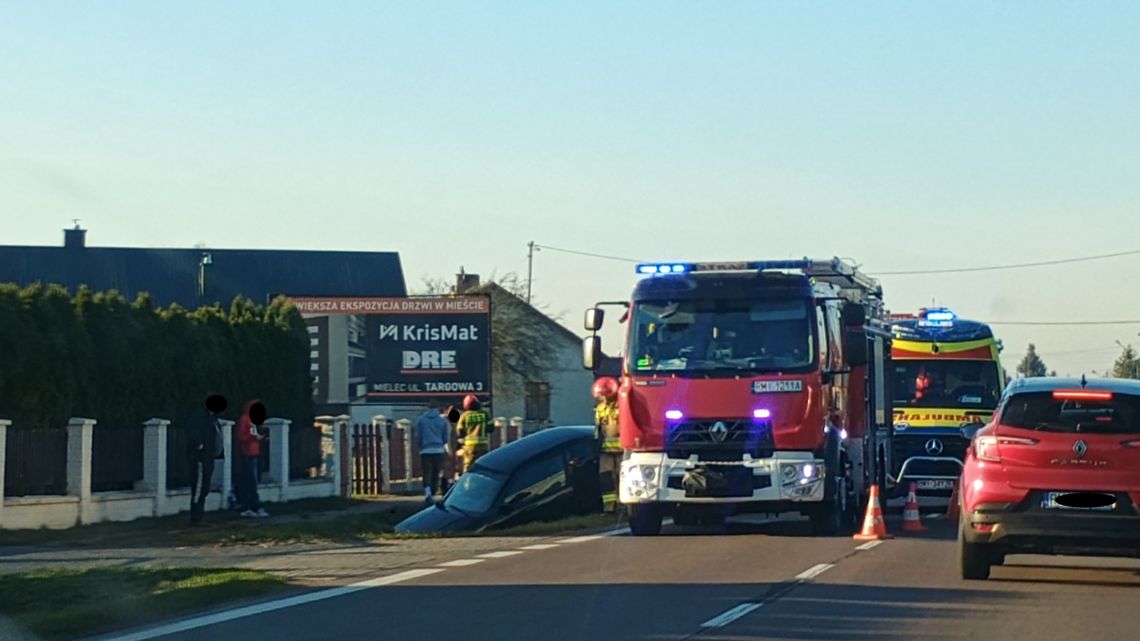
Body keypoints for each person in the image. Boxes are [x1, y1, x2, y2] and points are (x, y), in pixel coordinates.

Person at [187, 393, 227, 525]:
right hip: (200, 458)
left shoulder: (213, 418)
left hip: (209, 457)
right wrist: (199, 443)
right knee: (199, 488)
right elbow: (193, 431)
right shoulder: (200, 416)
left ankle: (200, 515)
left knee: (205, 487)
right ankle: (196, 517)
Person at [235, 400, 270, 518]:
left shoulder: (250, 419)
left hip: (253, 452)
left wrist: (259, 438)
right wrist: (254, 438)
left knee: (251, 481)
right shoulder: (245, 419)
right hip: (247, 453)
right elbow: (242, 436)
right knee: (251, 481)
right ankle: (252, 506)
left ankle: (250, 506)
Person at [592, 377, 622, 512]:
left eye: (604, 395)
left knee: (621, 479)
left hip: (623, 451)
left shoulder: (622, 406)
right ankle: (609, 508)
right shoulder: (600, 409)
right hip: (605, 452)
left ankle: (624, 507)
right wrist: (596, 445)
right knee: (606, 479)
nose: (602, 398)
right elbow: (598, 430)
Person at [415, 399, 451, 504]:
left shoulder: (421, 420)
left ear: (428, 407)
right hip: (438, 450)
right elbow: (445, 438)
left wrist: (422, 445)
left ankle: (428, 493)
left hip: (425, 451)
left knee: (427, 472)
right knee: (436, 473)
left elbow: (418, 436)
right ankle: (434, 492)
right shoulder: (443, 421)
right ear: (438, 408)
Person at [455, 395, 491, 474]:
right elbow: (491, 428)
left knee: (469, 467)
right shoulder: (484, 414)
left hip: (469, 447)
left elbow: (459, 431)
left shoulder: (465, 416)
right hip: (483, 445)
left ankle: (468, 483)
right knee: (484, 466)